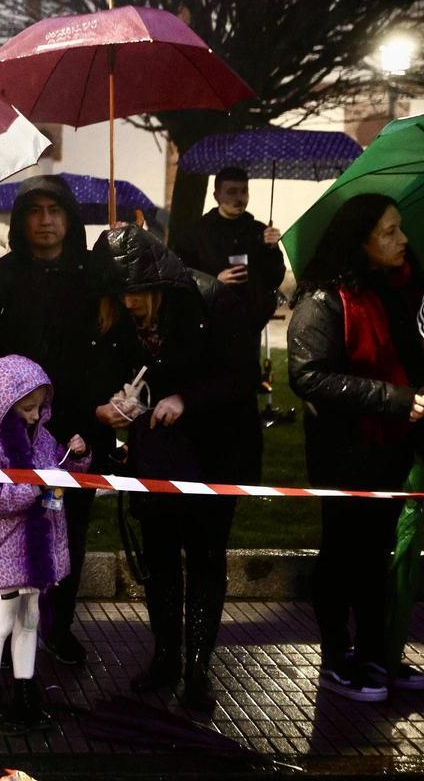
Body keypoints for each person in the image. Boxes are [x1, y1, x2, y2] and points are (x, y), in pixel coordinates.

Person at [91, 225, 253, 711]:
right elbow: (114, 370)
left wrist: (187, 398)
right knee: (160, 560)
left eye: (138, 292)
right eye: (121, 294)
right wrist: (118, 404)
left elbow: (241, 378)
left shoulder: (211, 300)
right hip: (156, 453)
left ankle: (198, 668)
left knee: (204, 557)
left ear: (158, 279)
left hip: (214, 451)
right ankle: (165, 657)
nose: (130, 304)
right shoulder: (118, 316)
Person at [0, 176, 118, 668]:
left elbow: (111, 348)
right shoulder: (0, 278)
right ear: (21, 219)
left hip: (79, 425)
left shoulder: (95, 276)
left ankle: (59, 625)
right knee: (10, 526)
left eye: (56, 210)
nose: (47, 220)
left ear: (71, 218)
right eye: (36, 210)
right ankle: (5, 628)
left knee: (67, 529)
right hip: (17, 427)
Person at [288, 193, 424, 702]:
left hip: (393, 445)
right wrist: (395, 400)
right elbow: (307, 375)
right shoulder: (324, 300)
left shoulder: (398, 290)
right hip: (344, 449)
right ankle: (337, 655)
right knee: (344, 551)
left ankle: (376, 653)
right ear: (359, 241)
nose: (402, 239)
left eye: (401, 228)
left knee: (378, 552)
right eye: (389, 232)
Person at [0, 355, 90, 734]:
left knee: (29, 621)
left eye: (39, 407)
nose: (35, 416)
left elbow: (61, 472)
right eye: (27, 408)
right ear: (0, 406)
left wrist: (78, 458)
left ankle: (26, 692)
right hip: (3, 550)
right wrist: (34, 486)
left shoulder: (43, 439)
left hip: (37, 550)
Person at [175, 166, 285, 479]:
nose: (239, 199)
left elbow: (274, 277)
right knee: (212, 388)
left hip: (246, 324)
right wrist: (214, 280)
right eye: (232, 192)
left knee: (244, 389)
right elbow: (180, 277)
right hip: (206, 326)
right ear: (216, 194)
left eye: (243, 192)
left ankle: (243, 466)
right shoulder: (196, 232)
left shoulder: (258, 230)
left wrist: (272, 249)